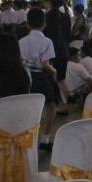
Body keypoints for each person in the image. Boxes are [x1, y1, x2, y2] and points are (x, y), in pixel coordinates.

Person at [18, 8, 60, 150]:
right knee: (51, 106)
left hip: (25, 77)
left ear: (27, 24)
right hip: (41, 77)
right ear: (44, 24)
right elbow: (45, 64)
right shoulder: (47, 41)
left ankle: (26, 138)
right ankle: (45, 139)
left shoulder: (21, 41)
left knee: (27, 108)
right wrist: (54, 72)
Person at [44, 0, 72, 110]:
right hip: (63, 51)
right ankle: (64, 107)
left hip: (50, 51)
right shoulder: (66, 17)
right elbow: (68, 36)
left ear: (50, 2)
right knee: (61, 79)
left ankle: (52, 107)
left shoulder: (46, 16)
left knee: (51, 79)